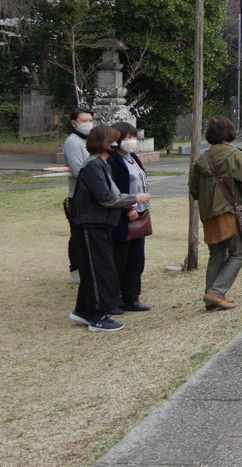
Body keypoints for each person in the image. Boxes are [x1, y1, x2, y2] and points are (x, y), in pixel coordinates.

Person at [69, 124, 150, 332]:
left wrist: (129, 201)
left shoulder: (102, 164)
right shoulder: (94, 166)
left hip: (102, 224)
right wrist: (134, 199)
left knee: (98, 269)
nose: (117, 144)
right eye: (113, 140)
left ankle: (82, 311)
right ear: (103, 143)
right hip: (91, 224)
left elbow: (113, 193)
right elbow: (107, 197)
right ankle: (97, 315)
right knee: (100, 270)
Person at [189, 116, 242, 310]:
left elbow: (194, 191)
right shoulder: (234, 155)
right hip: (228, 211)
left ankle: (210, 298)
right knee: (239, 252)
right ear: (229, 133)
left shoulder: (202, 158)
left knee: (216, 254)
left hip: (208, 214)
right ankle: (216, 292)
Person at [106, 122, 151, 312]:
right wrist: (127, 208)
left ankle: (131, 298)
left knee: (136, 260)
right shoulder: (113, 161)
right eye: (128, 137)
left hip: (140, 213)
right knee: (120, 260)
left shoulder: (133, 157)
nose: (132, 141)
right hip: (123, 215)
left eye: (134, 137)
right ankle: (114, 299)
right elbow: (113, 190)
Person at [63, 108, 94, 284]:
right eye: (84, 120)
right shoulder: (73, 142)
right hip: (78, 196)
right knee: (78, 235)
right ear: (74, 123)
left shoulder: (87, 140)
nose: (88, 123)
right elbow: (77, 171)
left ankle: (84, 268)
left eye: (90, 119)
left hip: (89, 195)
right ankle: (75, 270)